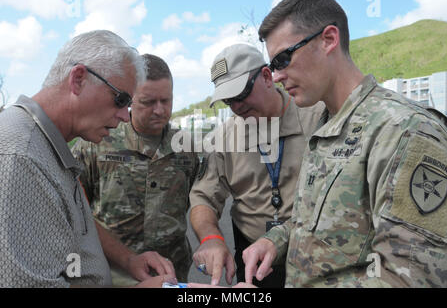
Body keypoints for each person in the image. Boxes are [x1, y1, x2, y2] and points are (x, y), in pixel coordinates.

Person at [243, 0, 447, 288]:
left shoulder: (404, 131)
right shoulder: (327, 126)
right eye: (273, 66)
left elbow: (410, 278)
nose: (276, 77)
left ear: (328, 39)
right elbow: (330, 222)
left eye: (283, 59)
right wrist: (277, 239)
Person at [0, 30, 175, 288]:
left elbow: (76, 231)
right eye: (121, 99)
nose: (125, 116)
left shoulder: (46, 145)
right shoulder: (21, 156)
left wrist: (128, 260)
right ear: (79, 79)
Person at [189, 43, 325, 287]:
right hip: (254, 257)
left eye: (241, 94)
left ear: (266, 76)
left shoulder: (318, 117)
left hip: (316, 250)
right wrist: (211, 237)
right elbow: (203, 198)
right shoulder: (223, 139)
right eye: (229, 101)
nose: (237, 107)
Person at [72, 54, 198, 286]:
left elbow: (195, 198)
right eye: (148, 102)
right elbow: (77, 210)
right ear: (130, 99)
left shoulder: (186, 146)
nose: (159, 110)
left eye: (166, 100)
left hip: (173, 271)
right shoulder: (96, 142)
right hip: (115, 272)